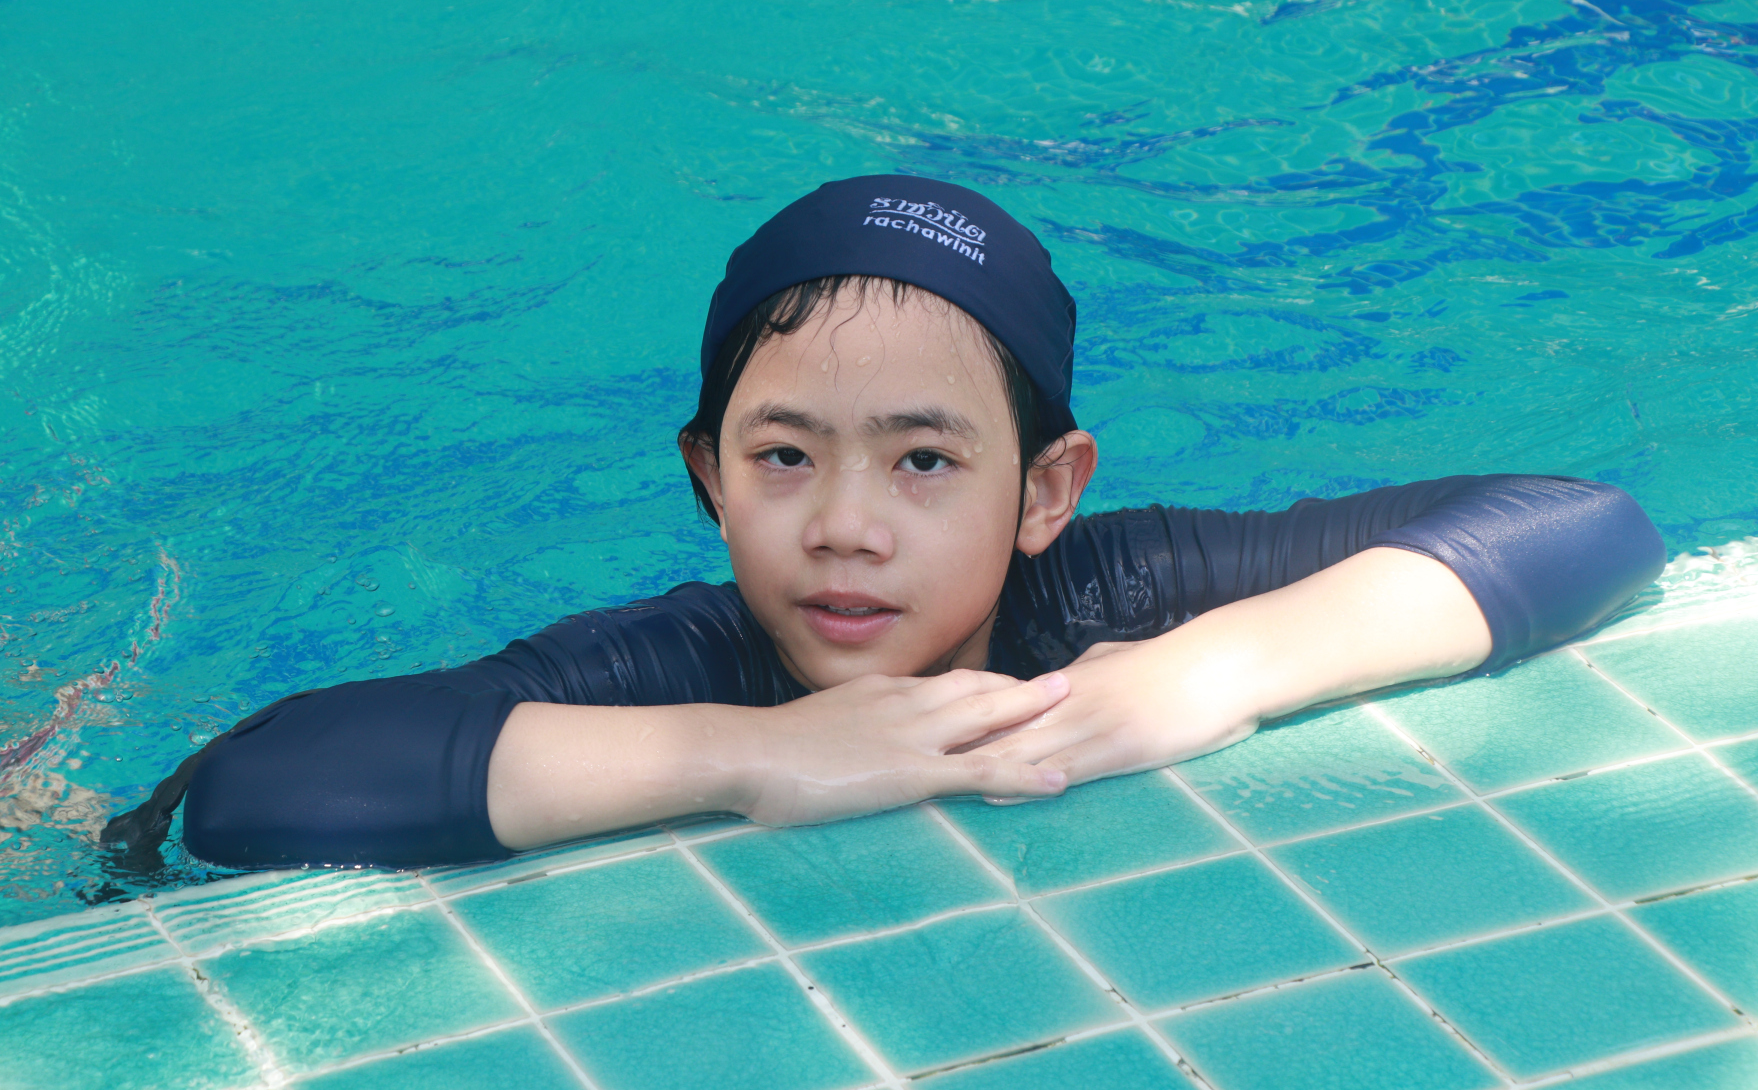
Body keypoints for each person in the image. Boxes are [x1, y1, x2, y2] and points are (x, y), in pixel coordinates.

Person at [102, 175, 1666, 872]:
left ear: (1043, 490)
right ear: (710, 477)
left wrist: (1216, 669)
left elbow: (1578, 524)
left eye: (924, 462)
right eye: (785, 458)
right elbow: (244, 791)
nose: (845, 530)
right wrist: (749, 754)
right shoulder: (684, 662)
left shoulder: (1110, 594)